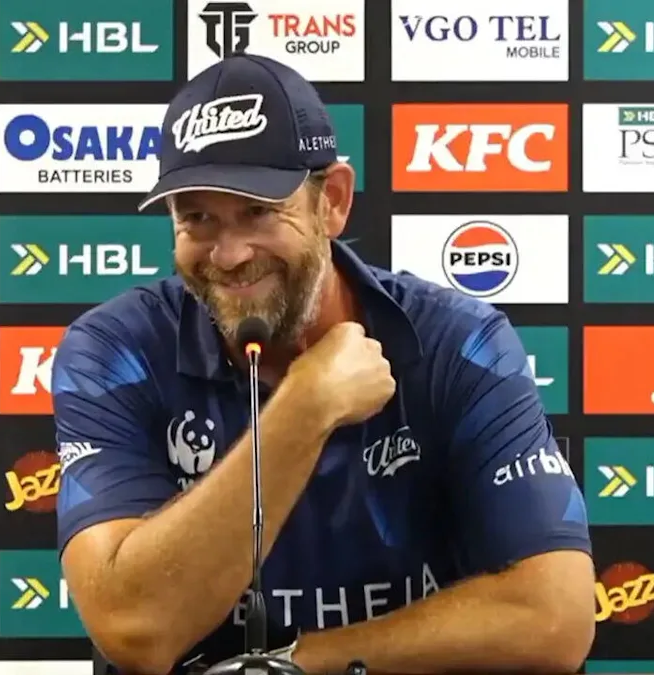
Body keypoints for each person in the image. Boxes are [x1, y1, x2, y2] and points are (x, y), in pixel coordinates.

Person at [53, 53, 595, 675]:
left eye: (258, 211)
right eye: (197, 218)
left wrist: (291, 665)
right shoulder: (113, 351)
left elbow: (555, 618)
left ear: (331, 201)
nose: (229, 254)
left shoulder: (460, 342)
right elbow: (134, 629)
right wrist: (304, 407)